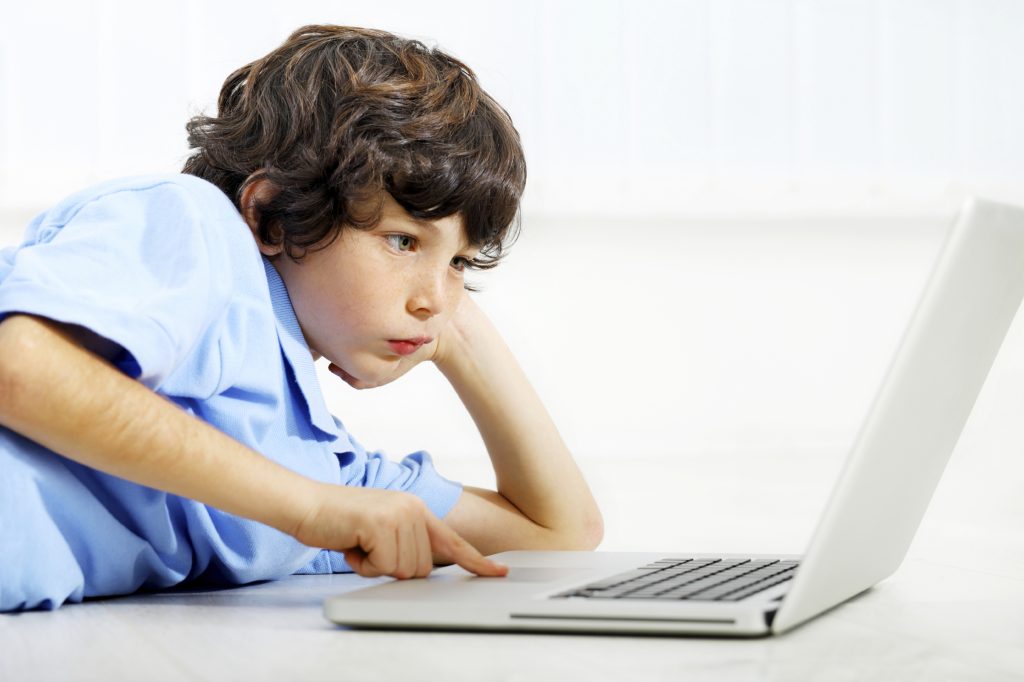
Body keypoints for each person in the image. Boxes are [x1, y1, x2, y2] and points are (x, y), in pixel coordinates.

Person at [0, 24, 602, 612]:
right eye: (401, 241)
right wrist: (308, 509)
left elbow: (561, 533)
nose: (435, 299)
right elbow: (19, 368)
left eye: (460, 262)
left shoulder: (316, 462)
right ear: (271, 217)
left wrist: (458, 338)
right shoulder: (196, 227)